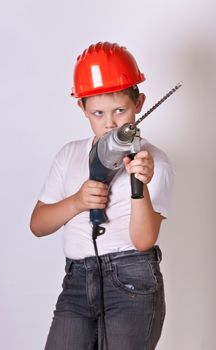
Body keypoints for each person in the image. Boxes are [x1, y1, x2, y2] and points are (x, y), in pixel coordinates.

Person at [30, 41, 174, 350]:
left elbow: (143, 240)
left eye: (120, 110)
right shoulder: (69, 155)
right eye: (98, 112)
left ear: (139, 103)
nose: (110, 123)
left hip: (131, 281)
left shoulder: (154, 161)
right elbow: (38, 225)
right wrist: (77, 202)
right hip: (77, 282)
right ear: (81, 107)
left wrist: (140, 185)